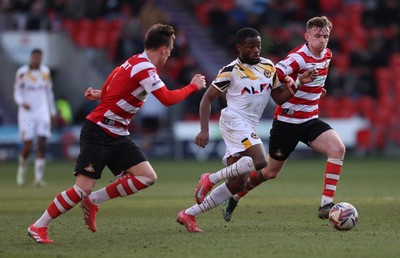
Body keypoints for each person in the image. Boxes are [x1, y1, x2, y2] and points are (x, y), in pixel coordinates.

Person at [27, 23, 206, 244]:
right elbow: (167, 99)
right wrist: (192, 86)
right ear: (162, 49)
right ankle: (38, 226)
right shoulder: (146, 68)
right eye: (169, 52)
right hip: (99, 131)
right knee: (82, 187)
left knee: (147, 176)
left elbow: (113, 84)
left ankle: (94, 200)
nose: (168, 56)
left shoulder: (132, 61)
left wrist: (101, 94)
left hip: (117, 133)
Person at [176, 27, 315, 233]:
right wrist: (204, 130)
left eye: (258, 45)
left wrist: (300, 83)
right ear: (239, 47)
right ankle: (210, 178)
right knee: (261, 161)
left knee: (237, 184)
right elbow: (207, 99)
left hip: (248, 124)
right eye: (250, 46)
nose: (256, 50)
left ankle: (188, 214)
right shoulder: (230, 70)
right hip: (233, 119)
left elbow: (278, 98)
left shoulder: (269, 66)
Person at [221, 16, 345, 222]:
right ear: (306, 36)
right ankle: (234, 196)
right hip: (287, 122)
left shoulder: (328, 55)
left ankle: (326, 204)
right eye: (317, 35)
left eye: (326, 36)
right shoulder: (297, 57)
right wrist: (292, 79)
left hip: (310, 120)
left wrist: (317, 90)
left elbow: (317, 79)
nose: (322, 40)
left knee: (337, 149)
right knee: (269, 172)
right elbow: (274, 73)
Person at [14, 48, 57, 187]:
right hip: (27, 114)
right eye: (36, 57)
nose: (38, 60)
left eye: (40, 58)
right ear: (31, 58)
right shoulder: (22, 72)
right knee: (27, 145)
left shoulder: (45, 72)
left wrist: (52, 112)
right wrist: (22, 102)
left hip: (42, 112)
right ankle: (21, 171)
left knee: (42, 143)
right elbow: (17, 92)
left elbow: (49, 92)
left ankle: (38, 178)